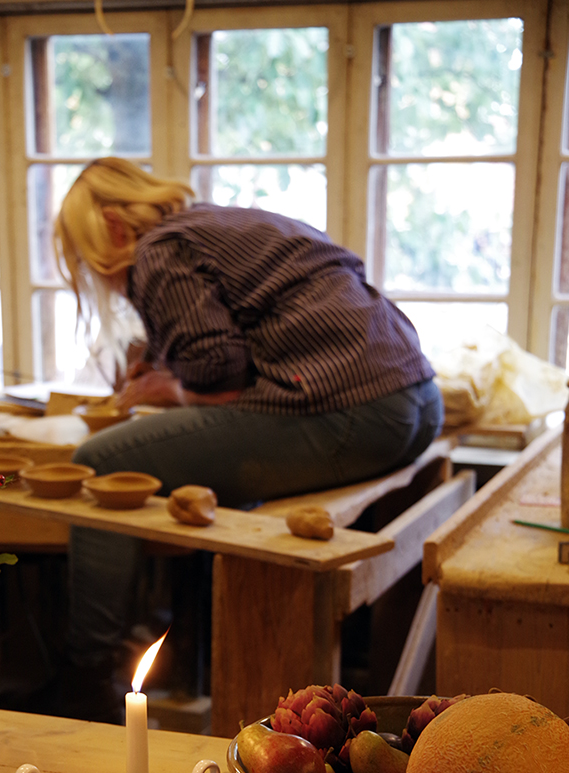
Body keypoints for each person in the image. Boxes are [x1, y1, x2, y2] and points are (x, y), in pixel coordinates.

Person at [49, 156, 443, 722]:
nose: (105, 277)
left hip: (358, 413)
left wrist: (167, 388)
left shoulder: (158, 250)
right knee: (191, 472)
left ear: (114, 228)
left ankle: (87, 683)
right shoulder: (209, 225)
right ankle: (177, 659)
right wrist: (164, 367)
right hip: (413, 401)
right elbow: (236, 335)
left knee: (100, 460)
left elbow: (218, 368)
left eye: (94, 261)